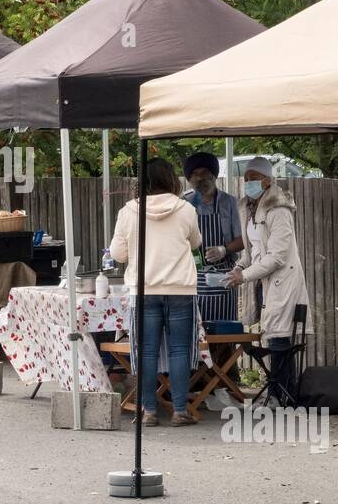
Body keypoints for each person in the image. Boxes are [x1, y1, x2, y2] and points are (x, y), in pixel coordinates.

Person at [109, 158, 203, 427]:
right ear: (171, 179)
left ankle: (149, 411)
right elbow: (196, 242)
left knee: (146, 351)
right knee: (179, 350)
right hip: (180, 289)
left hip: (144, 289)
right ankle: (180, 411)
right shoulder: (185, 209)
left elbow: (117, 253)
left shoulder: (129, 211)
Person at [225, 157, 311, 405]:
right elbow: (252, 251)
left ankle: (283, 393)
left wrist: (245, 275)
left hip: (282, 281)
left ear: (267, 180)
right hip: (263, 281)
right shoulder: (249, 209)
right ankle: (277, 392)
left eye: (253, 178)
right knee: (272, 336)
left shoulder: (279, 209)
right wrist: (238, 268)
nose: (248, 183)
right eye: (246, 179)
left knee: (280, 338)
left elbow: (278, 256)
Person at [183, 152, 245, 370]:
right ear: (189, 179)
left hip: (224, 277)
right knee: (196, 330)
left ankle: (226, 375)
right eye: (196, 174)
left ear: (214, 175)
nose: (201, 178)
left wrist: (223, 249)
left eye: (206, 172)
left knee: (223, 330)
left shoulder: (230, 203)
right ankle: (198, 378)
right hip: (193, 278)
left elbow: (243, 240)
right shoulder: (184, 204)